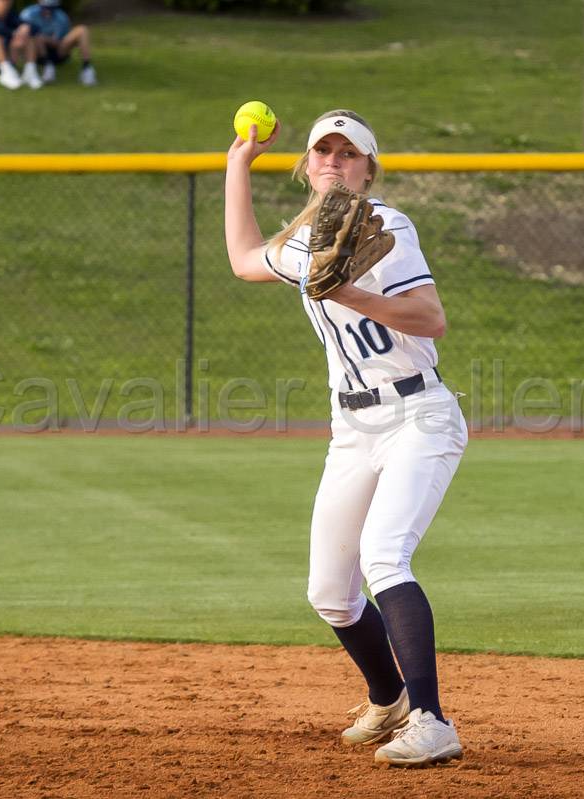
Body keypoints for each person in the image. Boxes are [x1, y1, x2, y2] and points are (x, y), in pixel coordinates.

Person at [224, 110, 469, 767]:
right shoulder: (305, 238)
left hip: (419, 416)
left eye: (347, 152)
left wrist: (355, 293)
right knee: (330, 590)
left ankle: (432, 720)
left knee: (384, 556)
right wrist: (237, 164)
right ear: (306, 165)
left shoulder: (386, 226)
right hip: (353, 428)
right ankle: (387, 697)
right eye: (322, 150)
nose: (333, 159)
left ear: (367, 167)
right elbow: (246, 259)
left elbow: (431, 317)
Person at [19, 0, 97, 87]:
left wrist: (46, 39)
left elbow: (58, 41)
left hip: (58, 51)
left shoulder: (61, 17)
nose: (48, 11)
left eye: (51, 8)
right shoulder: (28, 14)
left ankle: (87, 68)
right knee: (35, 36)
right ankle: (45, 67)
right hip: (36, 52)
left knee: (82, 30)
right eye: (45, 8)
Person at [0, 0, 42, 90]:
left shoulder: (11, 16)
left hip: (9, 55)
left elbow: (36, 28)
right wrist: (13, 33)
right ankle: (6, 72)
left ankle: (30, 71)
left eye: (8, 1)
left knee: (28, 35)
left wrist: (26, 27)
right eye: (2, 1)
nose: (5, 4)